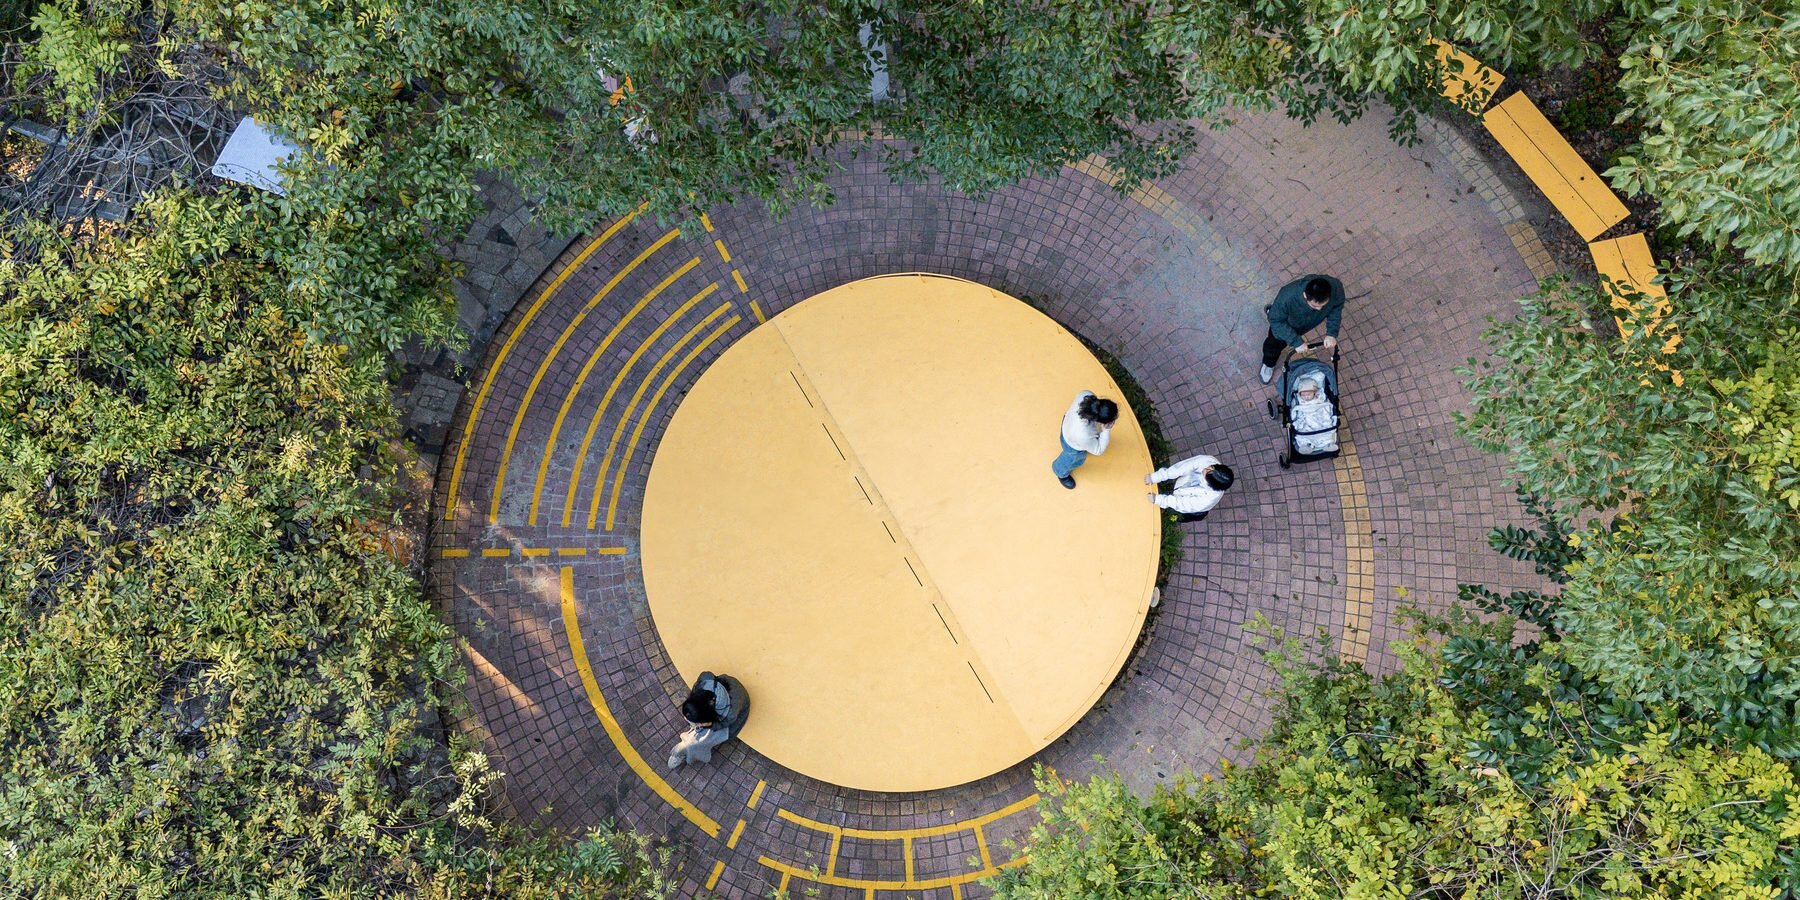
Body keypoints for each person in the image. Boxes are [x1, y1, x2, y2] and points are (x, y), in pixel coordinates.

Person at [1260, 274, 1345, 384]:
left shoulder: (1336, 287)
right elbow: (1276, 322)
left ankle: (1274, 311)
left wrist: (1331, 333)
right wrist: (1296, 342)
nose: (1319, 309)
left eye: (1323, 306)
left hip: (1303, 324)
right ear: (1305, 295)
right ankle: (1268, 363)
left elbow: (1336, 307)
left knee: (1279, 315)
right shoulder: (1287, 296)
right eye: (1315, 306)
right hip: (1284, 324)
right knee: (1274, 344)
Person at [667, 671, 742, 769]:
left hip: (732, 719)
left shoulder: (731, 713)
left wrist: (710, 724)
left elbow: (723, 724)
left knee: (701, 740)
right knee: (698, 730)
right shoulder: (705, 679)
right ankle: (687, 747)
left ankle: (687, 750)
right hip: (723, 703)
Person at [1051, 391, 1118, 489]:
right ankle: (1060, 472)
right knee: (1071, 459)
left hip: (1067, 423)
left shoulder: (1087, 395)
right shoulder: (1083, 434)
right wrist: (1107, 429)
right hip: (1072, 445)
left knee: (1086, 443)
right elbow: (1098, 450)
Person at [1145, 454, 1234, 522]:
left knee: (1178, 516)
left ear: (1211, 484)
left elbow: (1181, 504)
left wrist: (1158, 500)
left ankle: (1171, 519)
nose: (1205, 468)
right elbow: (1180, 468)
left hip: (1192, 510)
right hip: (1182, 486)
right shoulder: (1207, 461)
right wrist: (1156, 477)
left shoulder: (1206, 500)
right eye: (1211, 467)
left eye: (1207, 473)